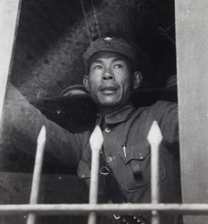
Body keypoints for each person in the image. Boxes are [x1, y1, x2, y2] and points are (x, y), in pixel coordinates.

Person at [2, 37, 181, 224]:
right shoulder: (85, 146)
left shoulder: (161, 116)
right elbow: (31, 124)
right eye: (98, 67)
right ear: (87, 84)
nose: (107, 75)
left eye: (118, 66)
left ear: (135, 79)